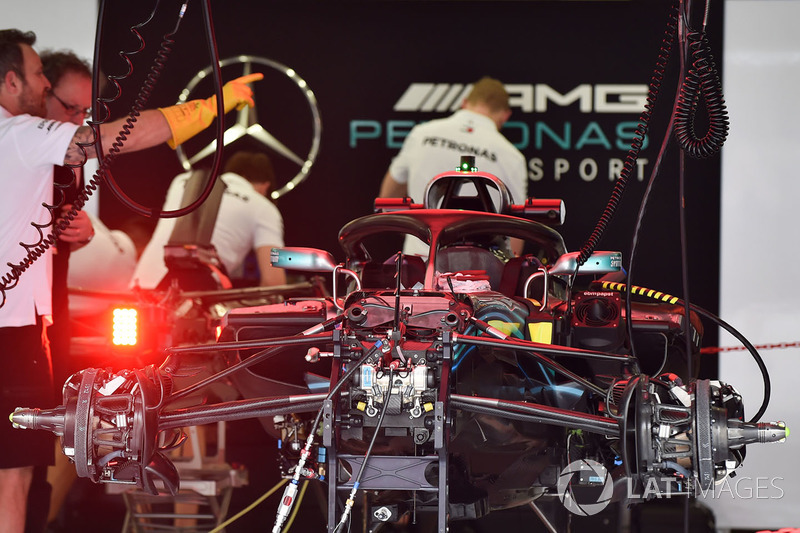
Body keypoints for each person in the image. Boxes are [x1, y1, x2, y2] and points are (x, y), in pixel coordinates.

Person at [0, 29, 259, 533]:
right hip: (11, 332)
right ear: (11, 81)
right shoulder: (20, 133)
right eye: (36, 75)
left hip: (25, 325)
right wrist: (208, 109)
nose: (41, 82)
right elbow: (124, 135)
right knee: (13, 474)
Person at [378, 76, 528, 256]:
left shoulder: (422, 134)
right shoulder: (511, 155)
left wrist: (415, 233)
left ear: (464, 103)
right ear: (505, 115)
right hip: (480, 274)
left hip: (418, 265)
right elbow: (516, 234)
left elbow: (387, 200)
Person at [131, 150, 287, 290]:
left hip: (138, 290)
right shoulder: (264, 207)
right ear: (265, 187)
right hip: (192, 303)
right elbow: (274, 283)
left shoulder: (182, 181)